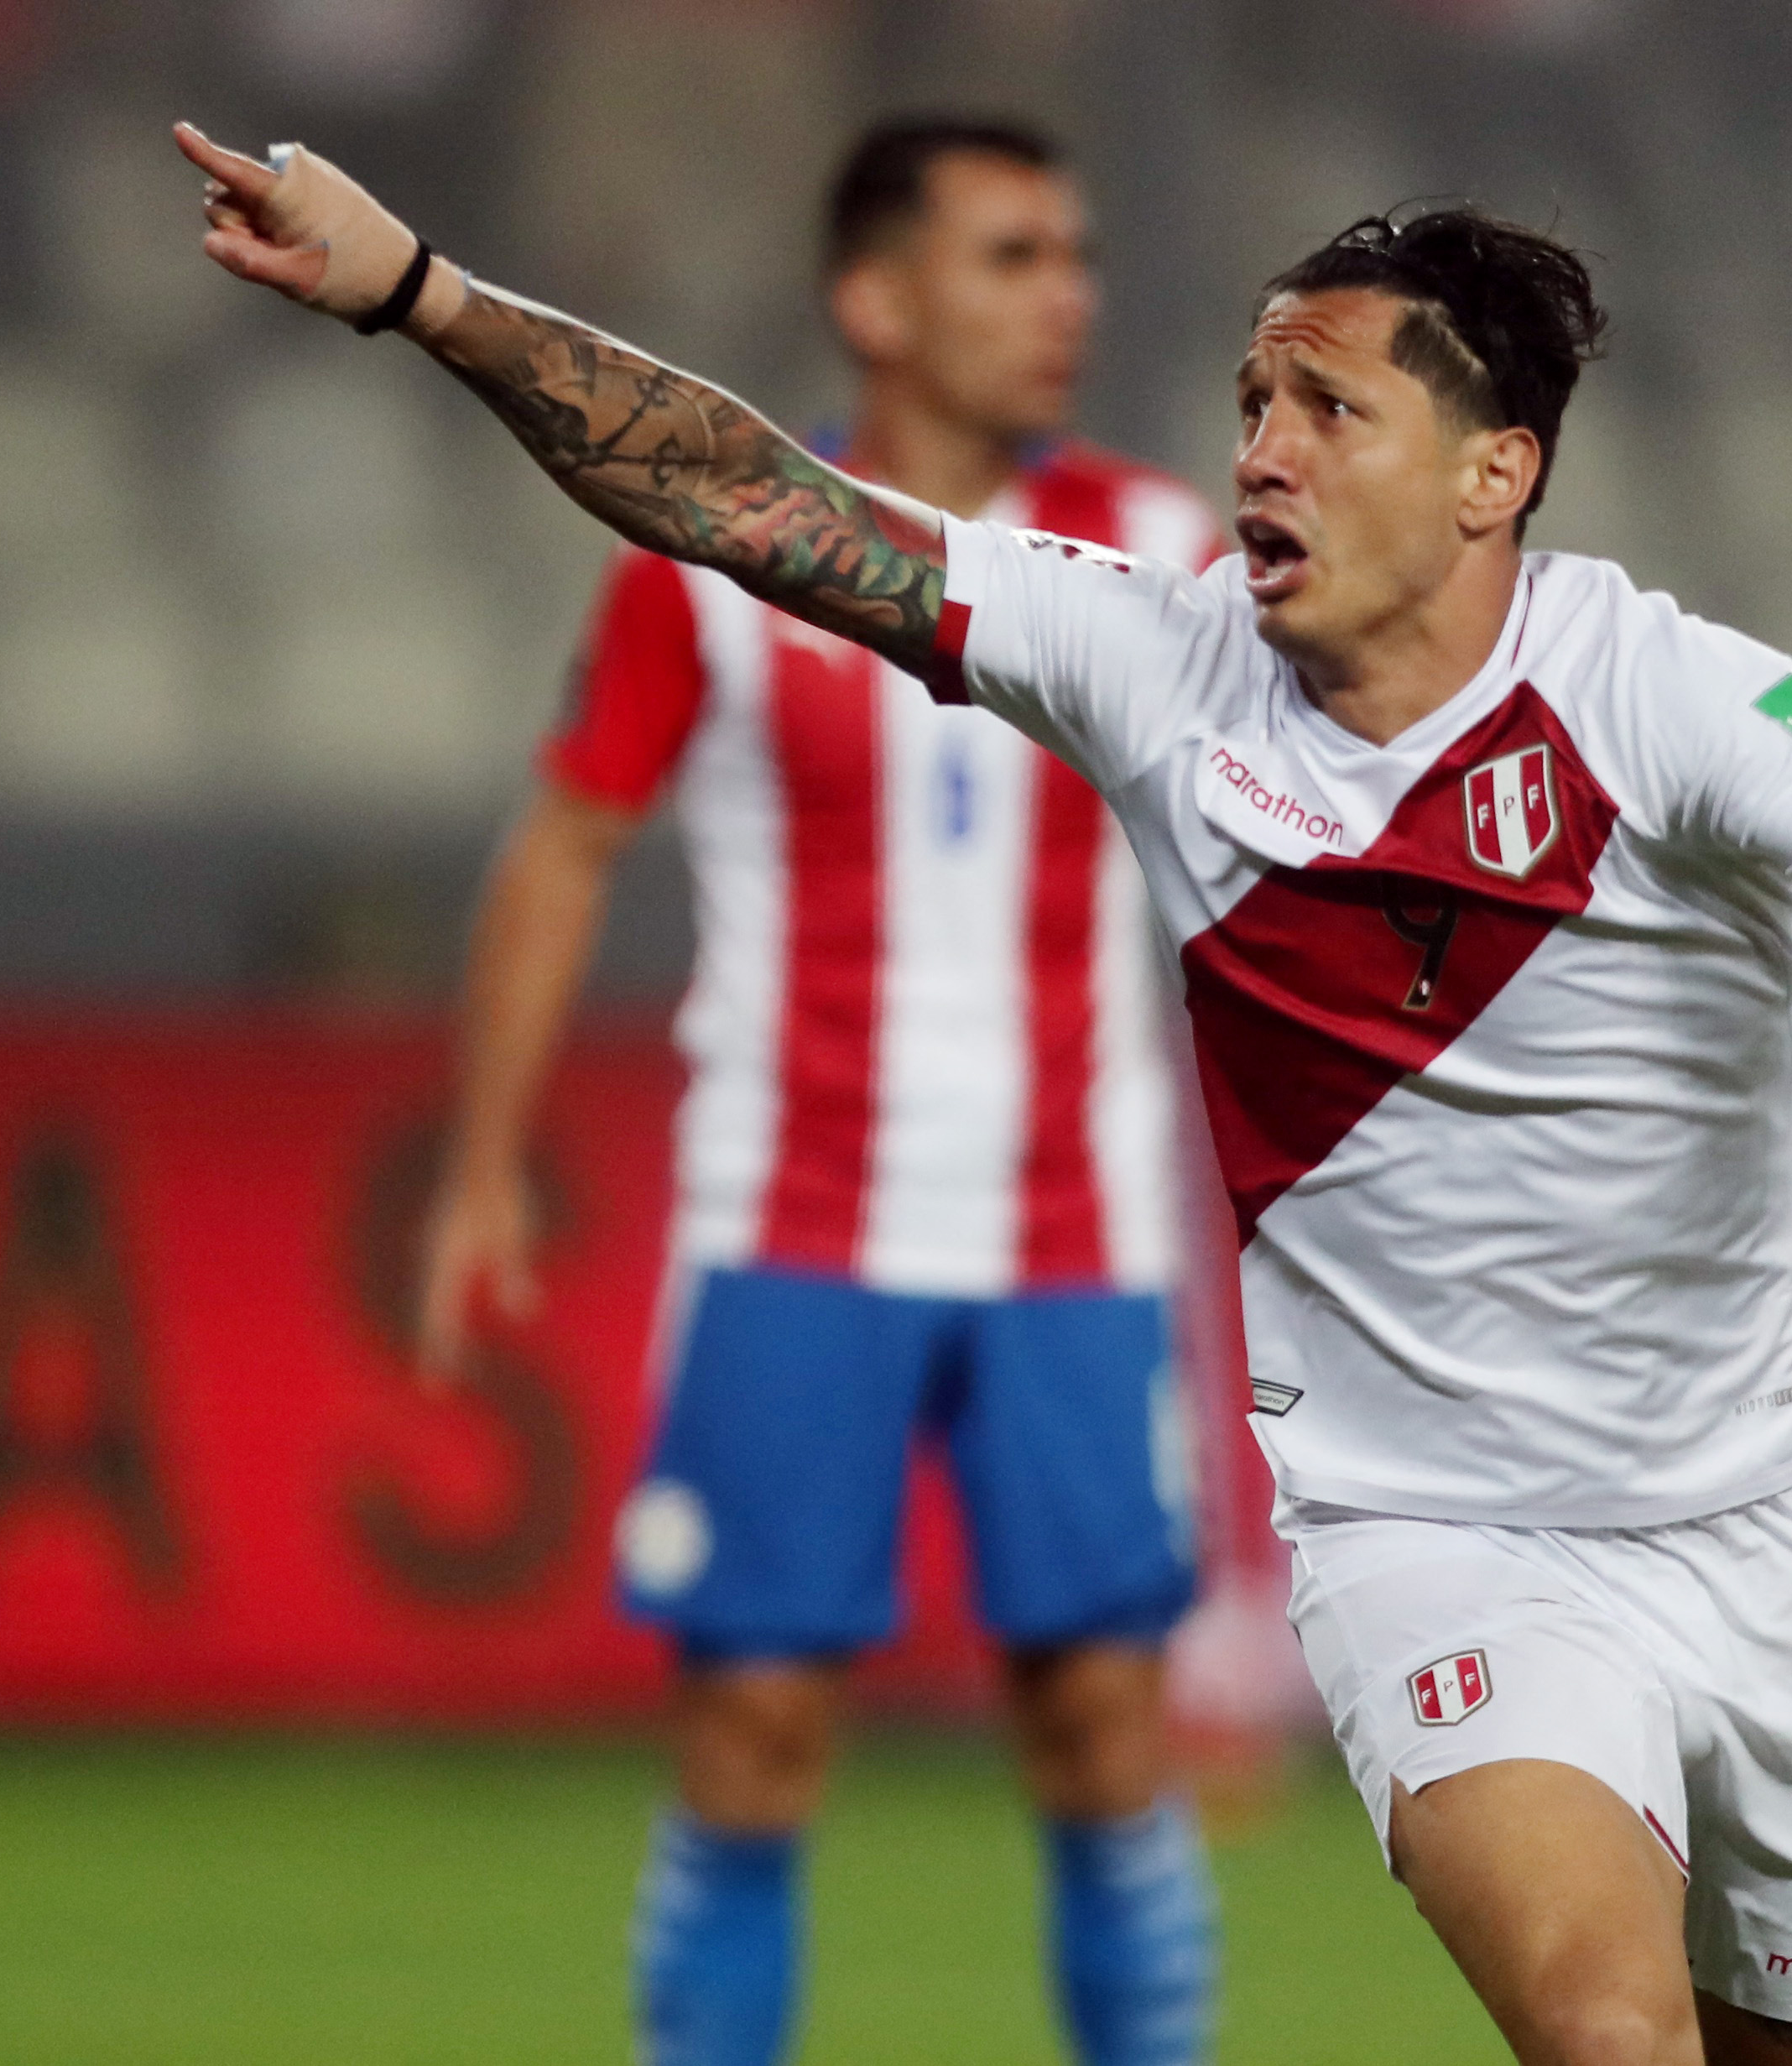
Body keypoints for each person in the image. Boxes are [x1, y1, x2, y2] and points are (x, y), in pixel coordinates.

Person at [179, 122, 1792, 2065]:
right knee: (1613, 2042)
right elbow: (738, 495)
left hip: (1777, 1503)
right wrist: (419, 294)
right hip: (1437, 1528)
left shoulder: (1666, 696)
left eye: (1328, 409)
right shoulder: (1153, 661)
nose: (1260, 451)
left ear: (1493, 474)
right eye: (1251, 400)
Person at [406, 119, 1222, 2066]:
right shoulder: (715, 551)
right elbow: (568, 839)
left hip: (1073, 1235)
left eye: (1076, 254)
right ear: (875, 297)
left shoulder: (1173, 549)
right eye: (1014, 254)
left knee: (1106, 1723)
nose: (1067, 296)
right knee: (755, 1729)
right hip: (789, 1219)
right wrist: (484, 1165)